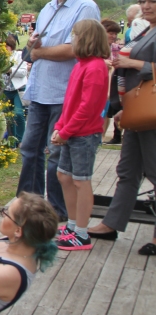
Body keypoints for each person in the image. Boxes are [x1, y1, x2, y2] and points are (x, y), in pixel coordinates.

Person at [18, 0, 101, 220]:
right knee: (29, 148)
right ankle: (29, 203)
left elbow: (75, 49)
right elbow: (36, 47)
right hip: (40, 90)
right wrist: (33, 46)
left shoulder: (85, 7)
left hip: (64, 93)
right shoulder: (47, 8)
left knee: (56, 153)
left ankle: (56, 210)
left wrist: (39, 53)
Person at [87, 0, 156, 254]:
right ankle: (112, 222)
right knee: (127, 170)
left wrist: (132, 63)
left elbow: (141, 65)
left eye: (153, 1)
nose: (147, 6)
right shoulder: (145, 31)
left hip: (150, 111)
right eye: (144, 1)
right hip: (137, 109)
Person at [50, 19, 111, 251]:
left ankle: (82, 233)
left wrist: (66, 131)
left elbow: (87, 107)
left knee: (81, 180)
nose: (72, 40)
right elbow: (70, 102)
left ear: (85, 39)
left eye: (74, 35)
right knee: (64, 176)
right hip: (71, 131)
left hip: (84, 134)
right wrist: (60, 126)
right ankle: (73, 225)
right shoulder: (80, 65)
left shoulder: (95, 67)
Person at [3, 34, 28, 145]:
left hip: (17, 89)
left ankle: (21, 138)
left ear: (11, 46)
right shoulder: (0, 57)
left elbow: (23, 72)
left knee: (18, 114)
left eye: (7, 46)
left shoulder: (18, 55)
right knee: (9, 116)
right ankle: (12, 141)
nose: (5, 49)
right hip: (5, 90)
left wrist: (10, 70)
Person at [100, 19, 123, 144]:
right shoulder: (95, 47)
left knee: (107, 112)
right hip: (98, 83)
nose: (114, 36)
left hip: (111, 84)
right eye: (111, 33)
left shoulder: (116, 48)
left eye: (115, 34)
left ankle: (102, 136)